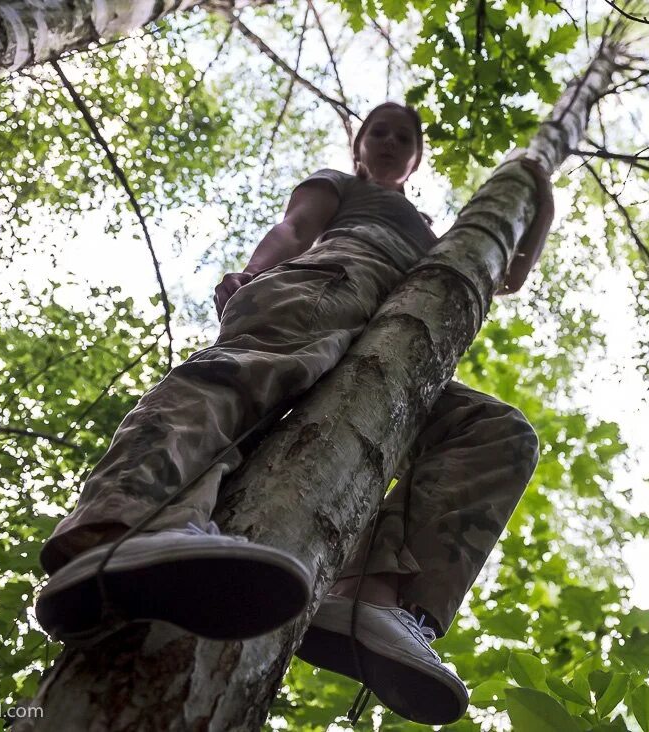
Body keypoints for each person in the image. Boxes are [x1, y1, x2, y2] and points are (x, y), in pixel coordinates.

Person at [34, 102, 547, 726]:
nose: (388, 141)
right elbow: (295, 227)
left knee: (494, 433)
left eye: (403, 137)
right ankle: (121, 526)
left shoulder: (435, 231)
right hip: (336, 275)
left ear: (415, 158)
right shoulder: (345, 185)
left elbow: (508, 274)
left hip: (405, 333)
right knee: (247, 375)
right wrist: (253, 275)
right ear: (359, 147)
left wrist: (537, 189)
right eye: (377, 132)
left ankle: (370, 601)